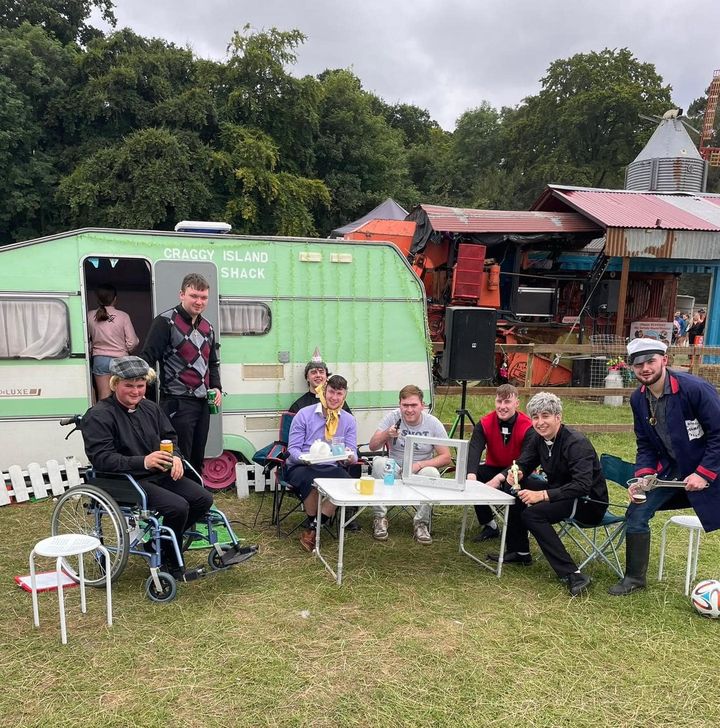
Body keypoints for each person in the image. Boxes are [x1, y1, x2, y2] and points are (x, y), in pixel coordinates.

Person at [80, 356, 213, 576]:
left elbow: (169, 437)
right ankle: (170, 561)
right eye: (128, 386)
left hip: (157, 474)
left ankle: (158, 543)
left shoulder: (150, 408)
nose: (135, 391)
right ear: (115, 384)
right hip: (125, 481)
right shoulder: (99, 415)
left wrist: (176, 457)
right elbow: (102, 458)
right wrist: (143, 461)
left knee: (203, 499)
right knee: (178, 506)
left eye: (140, 386)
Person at [609, 338, 720, 596]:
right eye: (639, 364)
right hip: (672, 473)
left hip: (711, 469)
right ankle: (634, 578)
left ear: (664, 360)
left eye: (651, 361)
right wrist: (645, 475)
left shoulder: (695, 389)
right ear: (632, 368)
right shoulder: (638, 399)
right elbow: (645, 442)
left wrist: (704, 473)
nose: (645, 368)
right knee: (636, 513)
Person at [487, 392, 608, 597]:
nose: (540, 422)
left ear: (558, 417)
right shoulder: (538, 437)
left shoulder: (576, 443)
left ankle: (573, 574)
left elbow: (582, 485)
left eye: (546, 416)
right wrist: (515, 473)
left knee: (533, 514)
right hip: (561, 493)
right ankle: (520, 551)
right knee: (517, 488)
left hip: (588, 502)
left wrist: (542, 495)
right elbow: (524, 462)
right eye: (535, 417)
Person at [141, 273, 221, 475]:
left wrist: (217, 387)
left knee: (197, 455)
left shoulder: (207, 327)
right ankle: (178, 502)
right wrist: (144, 397)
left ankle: (197, 501)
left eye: (203, 297)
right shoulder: (165, 322)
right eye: (194, 296)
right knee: (178, 456)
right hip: (176, 401)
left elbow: (212, 362)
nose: (199, 301)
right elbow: (147, 360)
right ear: (182, 295)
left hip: (203, 402)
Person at [368, 384, 451, 545]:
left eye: (414, 405)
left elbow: (446, 457)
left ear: (422, 406)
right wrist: (387, 434)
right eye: (405, 405)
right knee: (378, 462)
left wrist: (419, 465)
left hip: (419, 471)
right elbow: (372, 446)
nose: (409, 410)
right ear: (399, 405)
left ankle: (421, 523)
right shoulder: (392, 417)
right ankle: (380, 518)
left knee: (432, 473)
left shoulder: (432, 423)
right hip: (395, 468)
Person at [285, 375, 358, 552]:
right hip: (301, 465)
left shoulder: (348, 420)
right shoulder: (304, 414)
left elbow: (352, 452)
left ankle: (313, 529)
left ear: (344, 395)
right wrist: (305, 458)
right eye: (331, 392)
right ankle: (315, 526)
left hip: (330, 465)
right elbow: (293, 449)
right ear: (324, 392)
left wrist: (349, 457)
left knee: (347, 483)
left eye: (339, 394)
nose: (334, 398)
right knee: (313, 481)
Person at [466, 384, 534, 542]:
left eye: (507, 402)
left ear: (516, 403)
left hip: (518, 472)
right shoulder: (484, 423)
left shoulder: (528, 426)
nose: (502, 407)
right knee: (473, 475)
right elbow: (474, 450)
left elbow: (526, 460)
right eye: (499, 402)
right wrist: (471, 475)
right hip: (492, 467)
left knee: (514, 484)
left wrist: (500, 478)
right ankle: (490, 524)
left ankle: (516, 533)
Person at [87, 284, 139, 400]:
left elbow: (87, 341)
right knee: (123, 396)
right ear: (115, 298)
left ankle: (104, 418)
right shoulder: (123, 316)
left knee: (104, 395)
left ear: (98, 299)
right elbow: (133, 341)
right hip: (121, 359)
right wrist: (126, 350)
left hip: (100, 359)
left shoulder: (90, 316)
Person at [288, 348, 352, 414]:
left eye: (321, 372)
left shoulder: (337, 401)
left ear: (326, 377)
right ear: (307, 377)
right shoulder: (298, 406)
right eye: (313, 372)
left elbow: (350, 422)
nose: (318, 375)